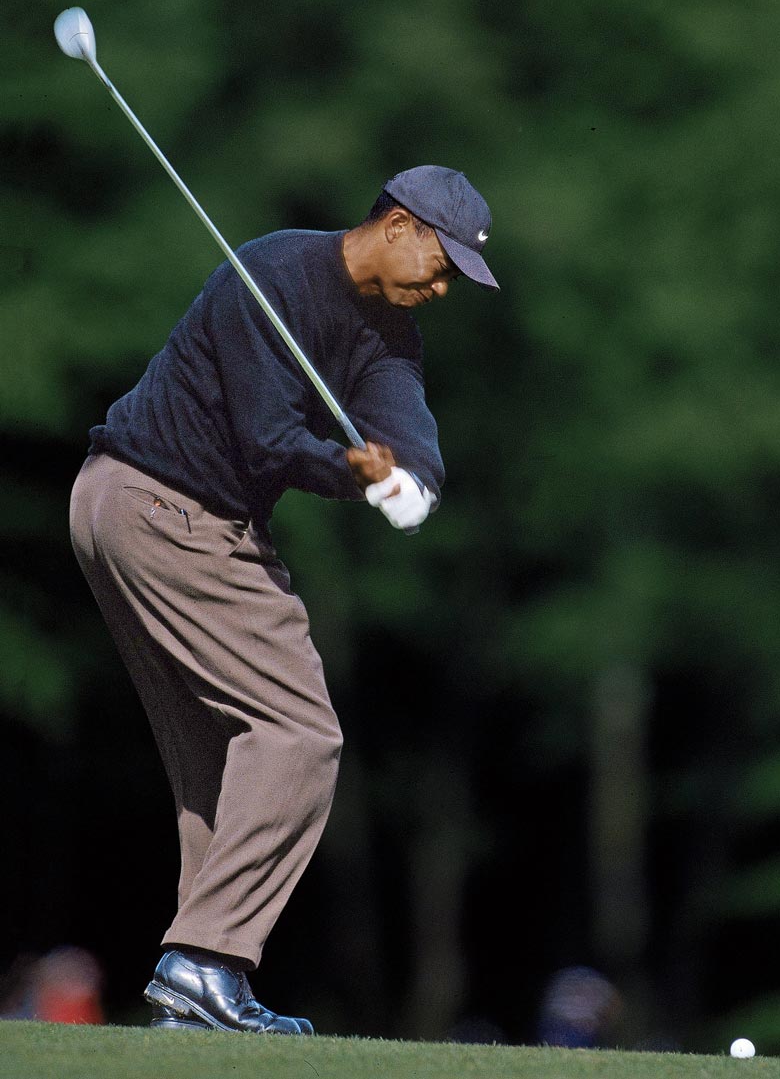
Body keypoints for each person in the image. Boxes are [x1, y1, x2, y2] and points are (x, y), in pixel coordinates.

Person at [68, 165, 499, 1035]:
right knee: (301, 732)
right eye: (441, 258)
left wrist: (413, 482)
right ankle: (207, 960)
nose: (443, 281)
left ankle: (190, 993)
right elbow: (269, 444)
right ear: (398, 224)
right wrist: (351, 472)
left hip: (135, 509)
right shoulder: (268, 273)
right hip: (164, 505)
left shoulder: (390, 335)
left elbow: (410, 436)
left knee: (222, 751)